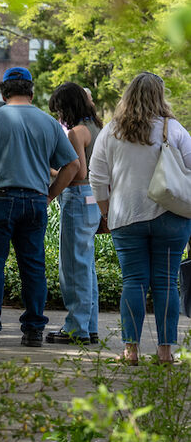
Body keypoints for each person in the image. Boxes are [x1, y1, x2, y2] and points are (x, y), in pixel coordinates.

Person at [0, 67, 79, 348]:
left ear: (3, 92)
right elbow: (72, 165)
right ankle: (34, 330)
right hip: (35, 200)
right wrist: (50, 194)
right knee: (34, 267)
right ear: (32, 91)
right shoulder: (48, 122)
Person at [89, 72, 191, 364]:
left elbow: (97, 178)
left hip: (127, 216)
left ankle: (130, 351)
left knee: (133, 282)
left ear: (128, 95)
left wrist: (106, 211)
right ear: (160, 96)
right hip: (171, 216)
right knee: (166, 283)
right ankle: (165, 352)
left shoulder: (111, 131)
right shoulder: (175, 130)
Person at [46, 81, 104, 345]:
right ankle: (88, 325)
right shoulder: (98, 128)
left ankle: (76, 327)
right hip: (94, 199)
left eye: (59, 109)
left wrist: (52, 173)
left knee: (73, 268)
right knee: (86, 267)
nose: (59, 116)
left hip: (78, 198)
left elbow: (78, 172)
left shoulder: (76, 133)